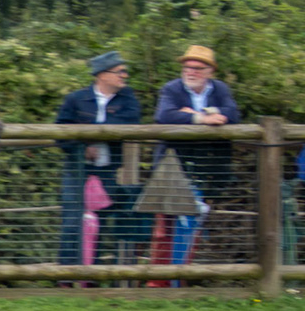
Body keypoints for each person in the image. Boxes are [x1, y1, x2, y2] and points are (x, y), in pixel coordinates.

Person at [54, 51, 141, 271]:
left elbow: (130, 123)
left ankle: (92, 275)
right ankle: (66, 275)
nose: (125, 75)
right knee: (72, 221)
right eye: (120, 71)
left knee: (99, 221)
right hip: (77, 170)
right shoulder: (75, 99)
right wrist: (82, 148)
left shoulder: (128, 98)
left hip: (108, 170)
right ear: (102, 75)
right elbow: (60, 132)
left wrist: (90, 135)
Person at [153, 44, 241, 199]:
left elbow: (233, 113)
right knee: (170, 212)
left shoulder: (220, 88)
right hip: (175, 163)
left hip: (211, 165)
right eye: (186, 67)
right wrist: (202, 119)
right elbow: (164, 115)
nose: (191, 72)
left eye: (197, 68)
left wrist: (202, 112)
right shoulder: (171, 88)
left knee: (207, 211)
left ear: (210, 71)